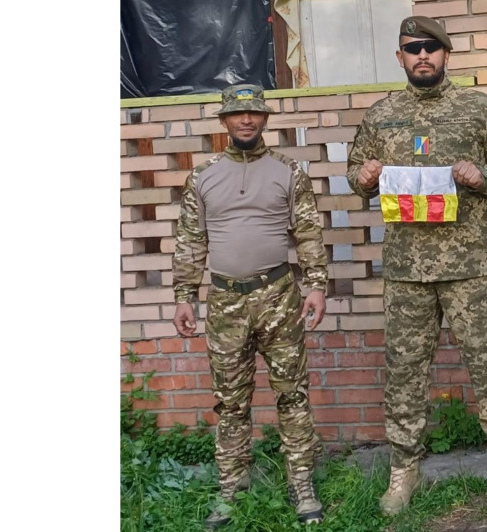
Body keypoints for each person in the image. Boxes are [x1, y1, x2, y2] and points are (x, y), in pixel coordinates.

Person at [345, 16, 487, 517]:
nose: (422, 56)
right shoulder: (382, 115)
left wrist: (484, 175)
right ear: (400, 58)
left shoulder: (476, 108)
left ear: (446, 55)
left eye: (431, 48)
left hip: (469, 267)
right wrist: (364, 176)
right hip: (407, 270)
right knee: (405, 373)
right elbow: (356, 172)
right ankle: (403, 471)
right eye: (413, 49)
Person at [171, 83, 329, 529]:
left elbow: (308, 234)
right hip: (224, 302)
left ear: (264, 119)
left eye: (255, 114)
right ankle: (231, 486)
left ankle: (302, 484)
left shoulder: (288, 171)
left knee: (292, 395)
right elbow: (190, 241)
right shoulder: (202, 176)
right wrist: (185, 296)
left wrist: (316, 285)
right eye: (238, 115)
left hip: (279, 295)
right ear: (224, 121)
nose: (247, 121)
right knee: (230, 402)